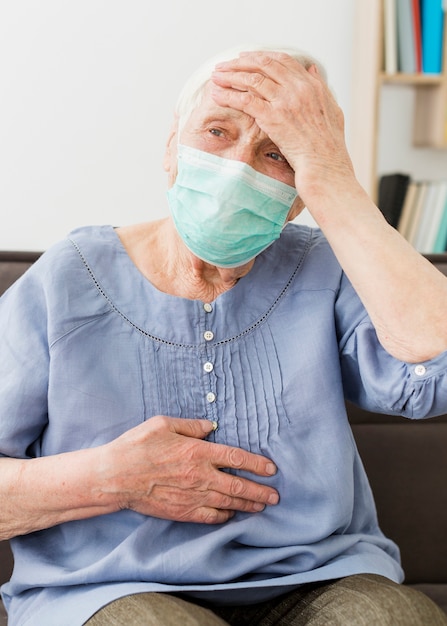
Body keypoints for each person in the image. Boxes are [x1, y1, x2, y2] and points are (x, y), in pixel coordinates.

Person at [1, 43, 447, 626]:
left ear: (303, 189)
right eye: (216, 131)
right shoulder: (66, 279)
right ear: (171, 146)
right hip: (107, 589)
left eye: (278, 153)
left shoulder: (329, 269)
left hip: (317, 579)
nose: (239, 168)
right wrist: (112, 478)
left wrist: (334, 178)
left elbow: (433, 370)